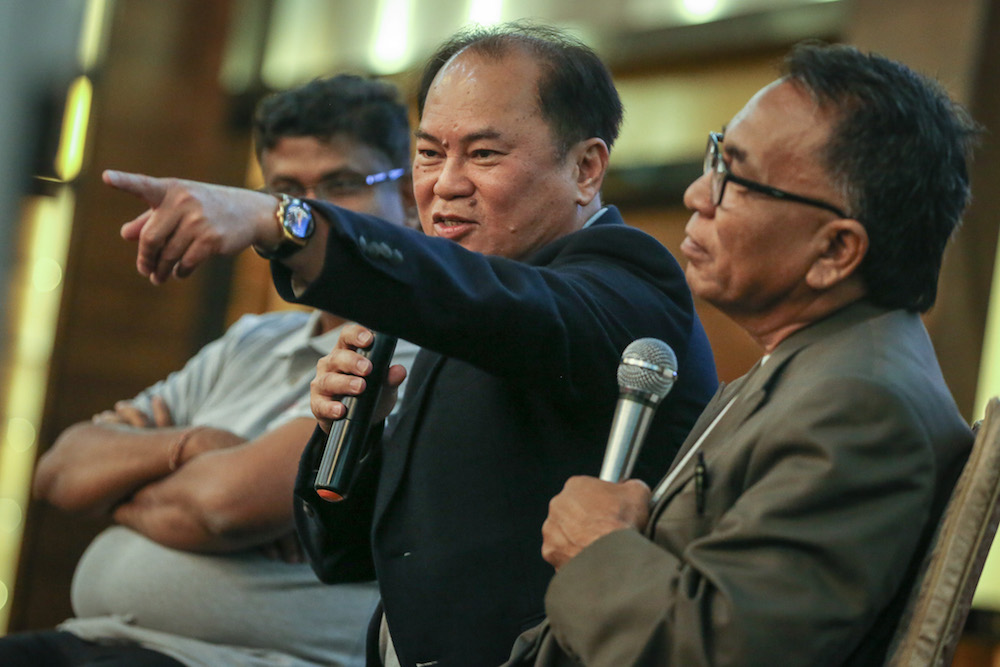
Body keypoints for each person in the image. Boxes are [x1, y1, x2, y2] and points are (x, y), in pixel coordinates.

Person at [103, 22, 720, 666]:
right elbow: (346, 553)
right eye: (429, 153)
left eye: (483, 155)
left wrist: (282, 218)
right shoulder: (451, 297)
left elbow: (499, 305)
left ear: (585, 168)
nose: (445, 184)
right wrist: (357, 431)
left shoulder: (624, 277)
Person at [504, 41, 981, 667]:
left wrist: (597, 545)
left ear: (836, 251)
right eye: (715, 156)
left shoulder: (859, 405)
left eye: (736, 177)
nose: (698, 194)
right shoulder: (820, 361)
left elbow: (724, 651)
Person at [1, 74, 420, 667]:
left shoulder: (410, 358)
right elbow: (61, 468)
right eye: (283, 192)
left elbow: (221, 510)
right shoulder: (253, 341)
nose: (304, 212)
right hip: (97, 639)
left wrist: (124, 485)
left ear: (406, 197)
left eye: (341, 184)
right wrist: (197, 446)